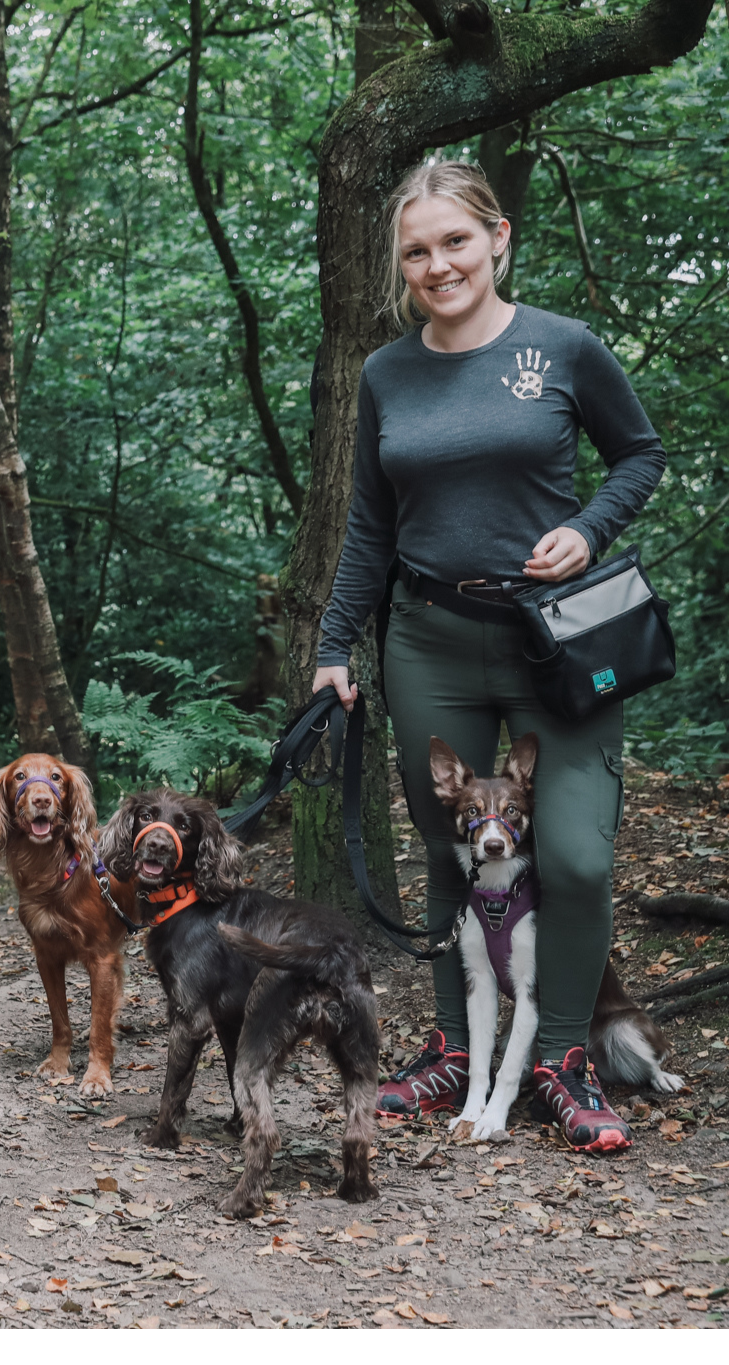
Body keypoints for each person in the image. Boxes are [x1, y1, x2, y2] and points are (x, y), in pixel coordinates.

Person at [312, 161, 666, 1153]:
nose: (436, 264)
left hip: (558, 642)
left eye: (453, 241)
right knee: (446, 852)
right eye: (415, 251)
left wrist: (588, 530)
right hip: (428, 637)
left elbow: (638, 454)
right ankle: (453, 1054)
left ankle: (559, 1057)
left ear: (496, 236)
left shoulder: (561, 347)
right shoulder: (385, 373)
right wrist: (335, 645)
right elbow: (368, 527)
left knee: (574, 857)